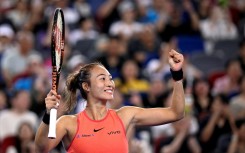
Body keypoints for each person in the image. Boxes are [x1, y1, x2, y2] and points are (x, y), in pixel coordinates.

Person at [35, 49, 185, 153]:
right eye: (102, 79)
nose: (110, 84)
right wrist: (49, 115)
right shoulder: (68, 123)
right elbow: (41, 149)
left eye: (110, 79)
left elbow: (176, 113)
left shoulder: (125, 115)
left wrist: (177, 75)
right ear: (87, 86)